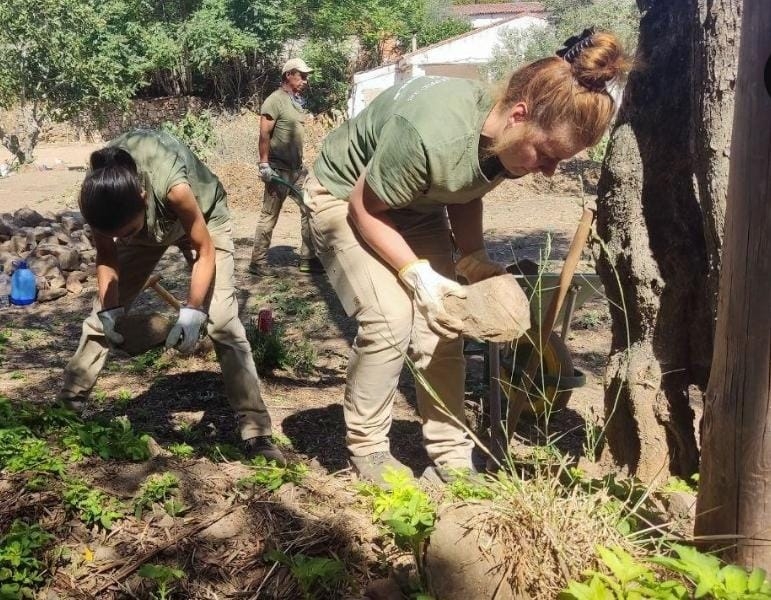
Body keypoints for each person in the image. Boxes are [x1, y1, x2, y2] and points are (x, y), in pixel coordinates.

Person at [304, 30, 630, 485]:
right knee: (389, 320)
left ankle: (452, 456)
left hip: (415, 204)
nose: (549, 170)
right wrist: (416, 275)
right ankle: (368, 450)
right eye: (548, 154)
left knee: (446, 323)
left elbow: (464, 184)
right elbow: (366, 207)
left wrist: (472, 257)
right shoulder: (431, 133)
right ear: (519, 115)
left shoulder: (505, 142)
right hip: (345, 198)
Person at [57, 129, 285, 465]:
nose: (120, 239)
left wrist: (193, 312)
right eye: (116, 234)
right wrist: (110, 311)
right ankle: (66, 408)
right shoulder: (100, 198)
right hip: (145, 227)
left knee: (222, 323)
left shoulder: (173, 188)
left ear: (143, 197)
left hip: (205, 219)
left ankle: (256, 431)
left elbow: (204, 249)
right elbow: (108, 257)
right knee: (98, 321)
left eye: (127, 233)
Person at [249, 58, 322, 276]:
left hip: (297, 170)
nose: (306, 80)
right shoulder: (275, 101)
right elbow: (264, 134)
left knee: (309, 208)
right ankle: (257, 262)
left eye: (306, 76)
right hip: (277, 169)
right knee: (269, 215)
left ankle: (308, 259)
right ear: (289, 74)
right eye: (302, 75)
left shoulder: (295, 101)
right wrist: (264, 164)